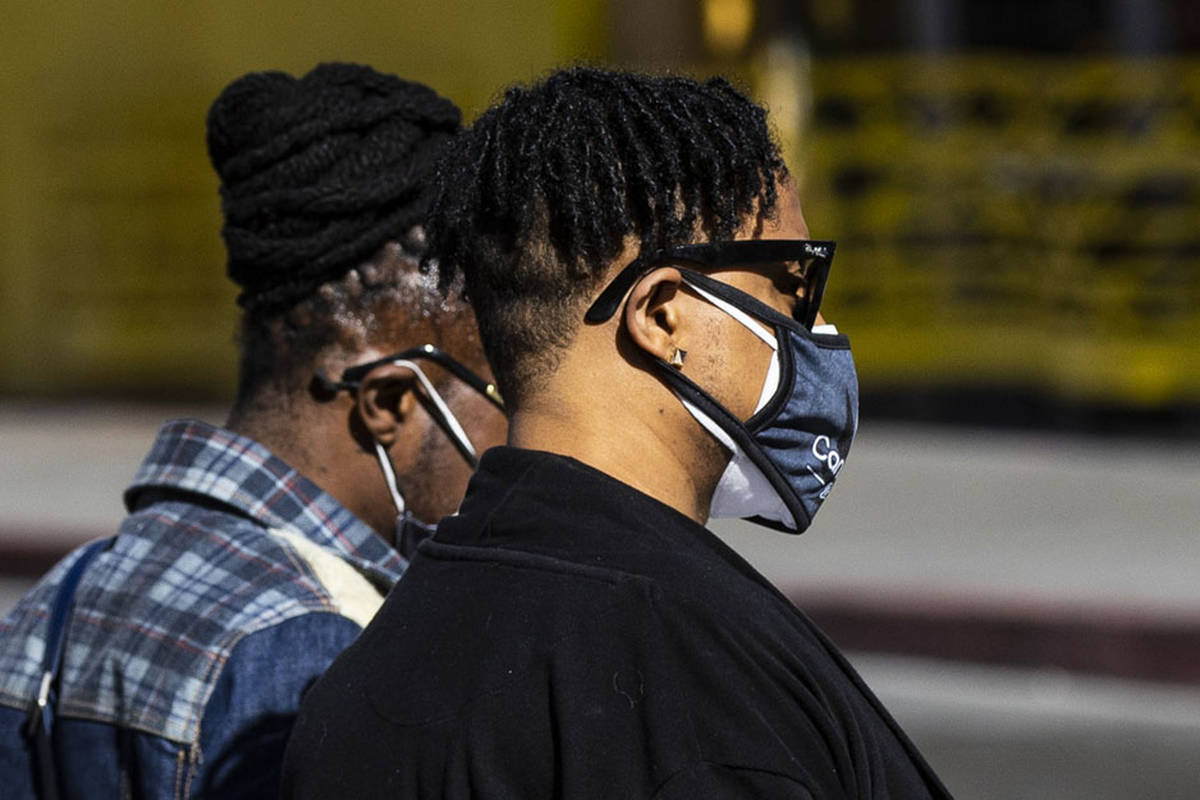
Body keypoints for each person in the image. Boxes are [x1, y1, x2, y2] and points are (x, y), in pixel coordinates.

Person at [282, 67, 952, 799]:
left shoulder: (368, 669)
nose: (816, 331)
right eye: (791, 285)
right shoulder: (701, 690)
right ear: (664, 316)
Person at [0, 63, 506, 798]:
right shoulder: (317, 650)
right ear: (390, 402)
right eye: (503, 390)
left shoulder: (60, 597)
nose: (521, 434)